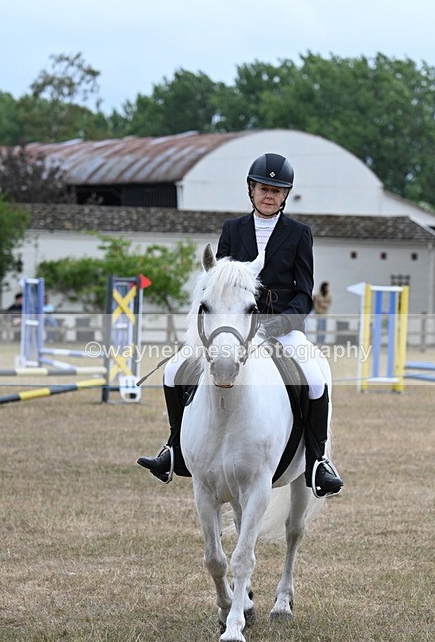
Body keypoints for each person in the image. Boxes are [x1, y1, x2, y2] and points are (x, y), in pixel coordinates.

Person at [137, 153, 343, 498]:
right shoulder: (233, 229)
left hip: (282, 327)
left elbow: (304, 295)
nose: (269, 196)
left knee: (315, 377)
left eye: (277, 191)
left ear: (286, 195)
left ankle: (318, 462)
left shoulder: (299, 234)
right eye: (264, 188)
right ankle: (174, 449)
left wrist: (277, 325)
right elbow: (218, 282)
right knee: (174, 370)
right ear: (251, 190)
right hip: (232, 326)